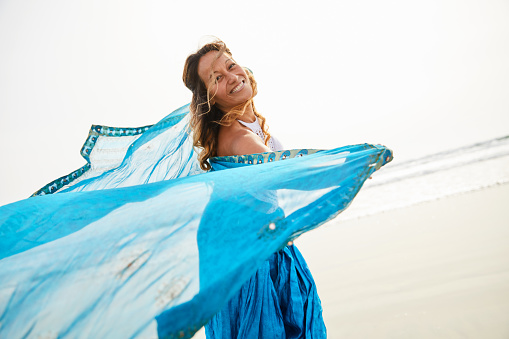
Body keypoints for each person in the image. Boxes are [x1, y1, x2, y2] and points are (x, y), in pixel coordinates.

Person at [182, 40, 327, 338]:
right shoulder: (238, 137)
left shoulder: (246, 128)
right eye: (217, 77)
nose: (232, 76)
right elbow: (290, 172)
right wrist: (351, 164)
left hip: (257, 248)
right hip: (251, 261)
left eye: (230, 65)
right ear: (208, 97)